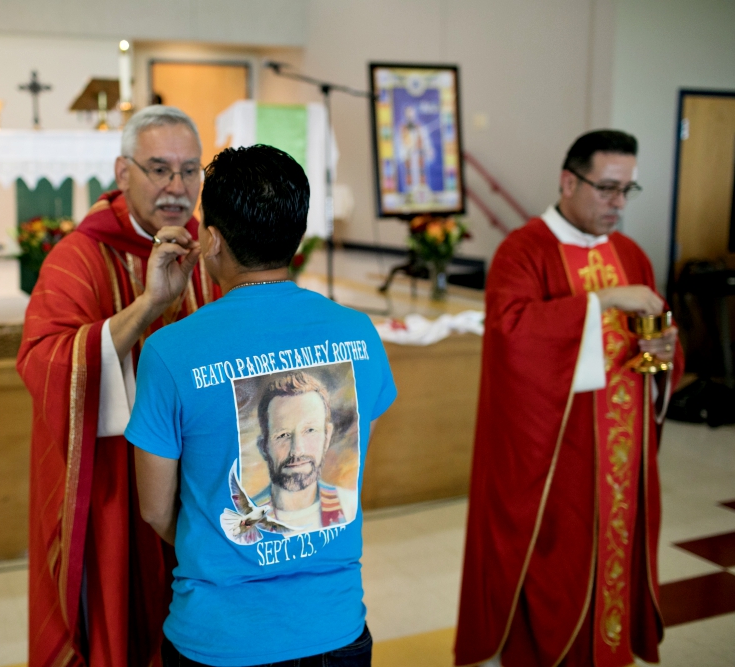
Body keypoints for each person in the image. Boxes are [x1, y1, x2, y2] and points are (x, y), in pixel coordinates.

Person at [125, 144, 397, 666]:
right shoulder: (357, 333)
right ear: (297, 234)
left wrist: (225, 538)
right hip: (334, 628)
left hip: (219, 636)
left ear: (213, 240)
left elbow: (156, 510)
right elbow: (352, 466)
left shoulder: (169, 350)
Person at [454, 130, 685, 667]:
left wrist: (664, 352)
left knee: (614, 563)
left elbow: (656, 348)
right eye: (607, 189)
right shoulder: (523, 250)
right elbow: (511, 337)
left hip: (621, 463)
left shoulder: (631, 253)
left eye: (629, 189)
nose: (619, 204)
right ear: (568, 181)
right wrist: (600, 301)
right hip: (557, 459)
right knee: (554, 567)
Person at [16, 105, 219, 667]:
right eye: (159, 169)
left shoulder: (212, 252)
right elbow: (42, 361)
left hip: (201, 484)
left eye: (190, 171)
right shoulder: (78, 256)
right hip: (115, 488)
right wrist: (150, 305)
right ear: (122, 171)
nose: (177, 188)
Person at [250, 371, 357, 532]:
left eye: (310, 431)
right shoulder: (246, 517)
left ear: (327, 437)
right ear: (263, 446)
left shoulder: (348, 505)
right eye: (283, 435)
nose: (297, 450)